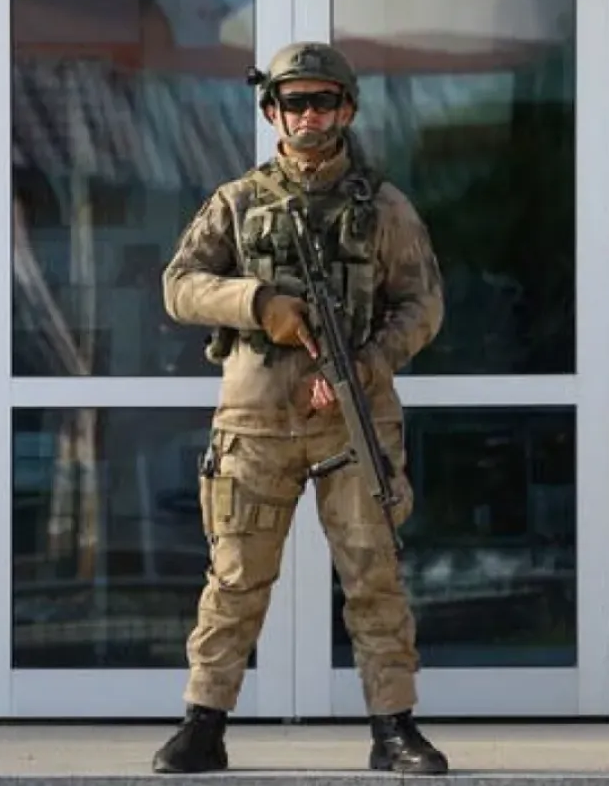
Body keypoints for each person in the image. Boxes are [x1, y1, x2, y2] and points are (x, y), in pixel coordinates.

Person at [153, 41, 448, 776]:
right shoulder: (238, 200)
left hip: (354, 415)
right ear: (272, 111)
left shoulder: (384, 206)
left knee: (372, 572)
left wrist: (368, 363)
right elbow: (180, 284)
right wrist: (258, 303)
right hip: (255, 416)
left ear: (346, 107)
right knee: (235, 576)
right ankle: (203, 722)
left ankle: (394, 727)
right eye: (295, 102)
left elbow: (424, 303)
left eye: (322, 101)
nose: (309, 115)